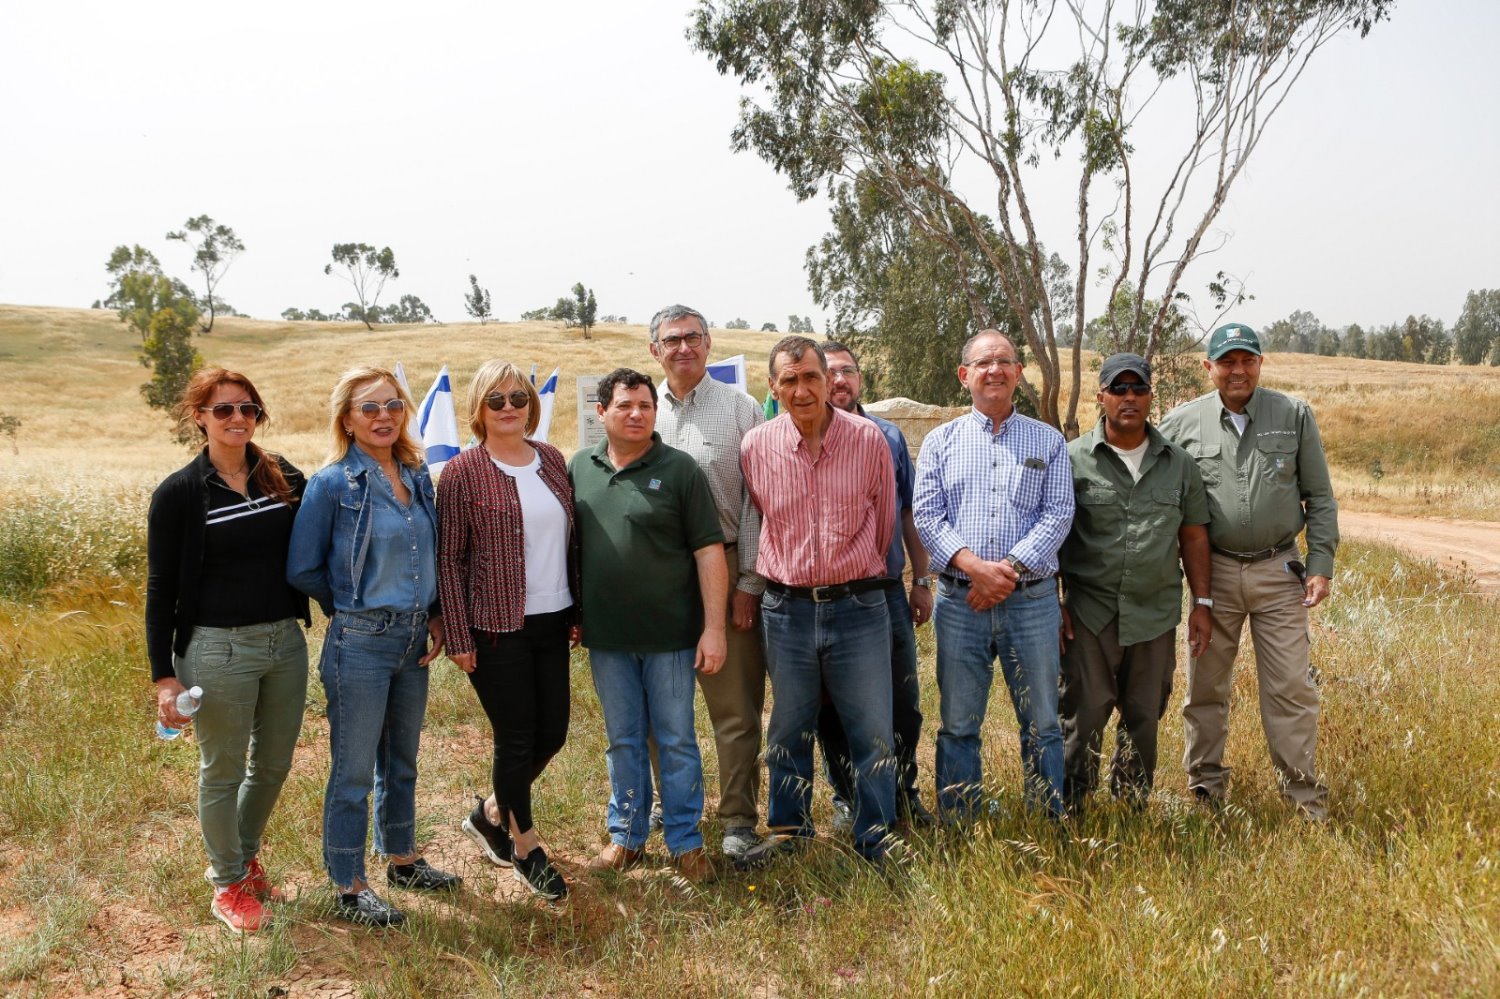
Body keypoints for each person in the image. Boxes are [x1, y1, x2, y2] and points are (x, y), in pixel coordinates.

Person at [287, 365, 458, 928]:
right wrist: (350, 608)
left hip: (413, 637)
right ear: (347, 418)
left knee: (402, 761)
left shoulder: (417, 473)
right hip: (359, 640)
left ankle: (402, 860)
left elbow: (426, 556)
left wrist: (433, 614)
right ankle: (347, 883)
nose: (383, 416)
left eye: (392, 405)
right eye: (369, 407)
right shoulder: (332, 483)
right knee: (355, 770)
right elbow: (303, 568)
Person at [146, 368, 310, 934]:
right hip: (216, 649)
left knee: (274, 764)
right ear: (200, 418)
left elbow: (316, 549)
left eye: (248, 409)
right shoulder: (179, 493)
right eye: (223, 410)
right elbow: (160, 589)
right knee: (222, 770)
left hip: (284, 641)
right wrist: (163, 677)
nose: (238, 418)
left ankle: (242, 860)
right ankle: (227, 884)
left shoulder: (283, 475)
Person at [1158, 323, 1338, 820]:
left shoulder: (1293, 415)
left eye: (1248, 360)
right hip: (1210, 575)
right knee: (1207, 687)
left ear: (1260, 364)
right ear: (1208, 366)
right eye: (1227, 361)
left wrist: (1320, 565)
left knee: (1291, 688)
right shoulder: (1181, 423)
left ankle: (1305, 801)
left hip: (1280, 572)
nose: (1238, 370)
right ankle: (1205, 791)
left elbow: (1319, 498)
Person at [737, 336, 898, 867]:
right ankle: (789, 833)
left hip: (858, 607)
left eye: (811, 376)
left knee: (871, 728)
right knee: (788, 726)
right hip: (786, 610)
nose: (802, 389)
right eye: (789, 380)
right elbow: (759, 518)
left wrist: (844, 577)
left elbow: (884, 528)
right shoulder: (756, 447)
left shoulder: (868, 440)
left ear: (829, 380)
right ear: (773, 387)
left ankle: (877, 837)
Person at [568, 368, 727, 884]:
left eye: (645, 405)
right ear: (601, 412)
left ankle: (685, 841)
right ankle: (627, 837)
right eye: (625, 406)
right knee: (623, 740)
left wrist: (714, 628)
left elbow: (708, 552)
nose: (637, 414)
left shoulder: (679, 470)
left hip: (672, 638)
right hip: (607, 639)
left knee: (677, 739)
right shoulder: (578, 469)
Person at [913, 330, 1074, 820]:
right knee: (959, 721)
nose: (995, 371)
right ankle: (959, 820)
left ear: (1019, 373)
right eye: (984, 363)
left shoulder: (1047, 440)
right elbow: (926, 515)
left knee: (1043, 721)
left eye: (1005, 361)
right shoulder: (941, 443)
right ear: (965, 376)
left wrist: (1005, 572)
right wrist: (975, 570)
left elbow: (1059, 513)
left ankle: (1047, 820)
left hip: (1031, 601)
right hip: (960, 603)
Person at [436, 360, 576, 901]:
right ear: (478, 409)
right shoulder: (463, 472)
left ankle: (491, 813)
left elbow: (570, 540)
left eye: (518, 397)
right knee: (516, 738)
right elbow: (449, 559)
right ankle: (524, 844)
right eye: (495, 400)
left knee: (553, 734)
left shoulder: (553, 461)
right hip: (494, 626)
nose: (509, 407)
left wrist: (578, 608)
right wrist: (458, 635)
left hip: (553, 618)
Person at [1057, 353, 1212, 812]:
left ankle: (1130, 806)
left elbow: (1194, 536)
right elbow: (1055, 534)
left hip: (1154, 613)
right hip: (1089, 613)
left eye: (1138, 389)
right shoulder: (1072, 460)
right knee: (1083, 717)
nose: (1129, 398)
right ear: (1100, 396)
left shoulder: (1179, 465)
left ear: (1149, 396)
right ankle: (1073, 804)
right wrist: (1054, 599)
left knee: (1144, 716)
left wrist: (1201, 603)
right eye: (1118, 389)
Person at [647, 304, 769, 863]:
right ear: (655, 350)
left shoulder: (742, 409)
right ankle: (669, 805)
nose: (683, 348)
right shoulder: (638, 410)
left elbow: (756, 500)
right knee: (658, 705)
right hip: (659, 578)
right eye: (671, 340)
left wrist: (747, 582)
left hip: (726, 564)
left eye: (692, 337)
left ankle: (739, 820)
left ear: (709, 343)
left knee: (735, 708)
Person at [816, 340, 936, 829]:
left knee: (903, 702)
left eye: (849, 371)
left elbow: (909, 513)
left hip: (884, 591)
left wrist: (921, 579)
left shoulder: (887, 437)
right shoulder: (800, 436)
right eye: (830, 372)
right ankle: (848, 796)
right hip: (826, 597)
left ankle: (903, 792)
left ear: (861, 379)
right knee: (831, 706)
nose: (839, 380)